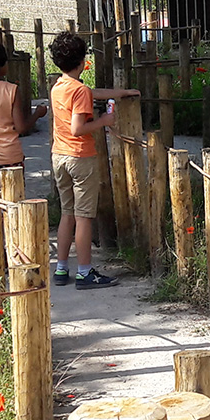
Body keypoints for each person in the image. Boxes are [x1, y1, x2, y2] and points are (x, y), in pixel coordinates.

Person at [47, 31, 140, 289]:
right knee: (84, 216)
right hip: (80, 157)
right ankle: (85, 272)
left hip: (60, 156)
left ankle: (62, 268)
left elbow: (91, 92)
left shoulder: (59, 86)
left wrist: (121, 92)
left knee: (68, 213)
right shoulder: (80, 92)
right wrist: (103, 121)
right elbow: (79, 127)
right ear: (82, 61)